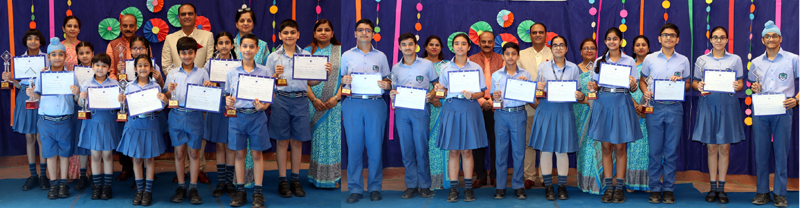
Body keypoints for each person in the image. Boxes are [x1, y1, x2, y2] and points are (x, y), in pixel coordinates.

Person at [268, 19, 331, 198]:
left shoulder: (306, 55)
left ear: (298, 35)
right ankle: (282, 180)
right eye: (285, 33)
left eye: (292, 32)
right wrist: (274, 76)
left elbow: (310, 81)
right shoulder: (273, 57)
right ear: (280, 36)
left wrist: (324, 74)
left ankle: (295, 180)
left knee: (297, 141)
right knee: (282, 141)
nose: (289, 36)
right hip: (281, 100)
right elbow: (267, 82)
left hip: (301, 100)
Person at [585, 27, 642, 203]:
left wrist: (633, 84)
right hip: (604, 103)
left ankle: (619, 188)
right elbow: (596, 85)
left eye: (615, 38)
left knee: (620, 147)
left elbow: (634, 88)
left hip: (622, 102)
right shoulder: (599, 61)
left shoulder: (629, 61)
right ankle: (609, 187)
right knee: (606, 147)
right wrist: (592, 86)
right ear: (605, 42)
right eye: (609, 39)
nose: (612, 41)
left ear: (621, 41)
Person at [691, 26, 745, 204]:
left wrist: (737, 86)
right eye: (715, 37)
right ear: (711, 40)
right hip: (708, 106)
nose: (719, 40)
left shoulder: (735, 59)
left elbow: (740, 84)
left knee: (725, 148)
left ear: (727, 40)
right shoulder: (702, 60)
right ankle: (712, 187)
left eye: (722, 37)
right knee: (711, 148)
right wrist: (698, 86)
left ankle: (721, 188)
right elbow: (695, 83)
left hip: (728, 107)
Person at [162, 4, 215, 184]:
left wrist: (203, 86)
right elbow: (166, 64)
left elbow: (210, 62)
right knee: (179, 151)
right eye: (183, 14)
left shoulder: (207, 37)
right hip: (177, 108)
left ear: (195, 16)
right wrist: (174, 84)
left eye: (190, 13)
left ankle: (197, 173)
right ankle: (181, 178)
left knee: (195, 148)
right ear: (178, 17)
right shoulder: (170, 39)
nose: (186, 16)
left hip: (196, 108)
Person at [529, 36, 587, 201]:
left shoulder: (573, 68)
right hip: (546, 110)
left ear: (566, 49)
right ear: (551, 48)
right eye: (555, 45)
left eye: (561, 45)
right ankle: (548, 186)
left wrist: (579, 95)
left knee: (562, 150)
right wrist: (538, 88)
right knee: (546, 150)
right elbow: (537, 91)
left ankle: (562, 186)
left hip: (564, 111)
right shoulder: (543, 67)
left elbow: (577, 91)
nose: (558, 48)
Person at [748, 20, 798, 208]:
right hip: (761, 109)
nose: (771, 39)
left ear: (780, 39)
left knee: (781, 152)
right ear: (762, 40)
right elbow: (752, 85)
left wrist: (797, 100)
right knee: (761, 152)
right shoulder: (755, 62)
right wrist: (754, 87)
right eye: (767, 36)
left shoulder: (793, 59)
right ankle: (762, 191)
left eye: (774, 36)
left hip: (783, 109)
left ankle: (780, 193)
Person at [639, 23, 690, 204]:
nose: (669, 38)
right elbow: (642, 81)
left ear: (677, 39)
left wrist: (681, 82)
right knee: (654, 151)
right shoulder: (650, 59)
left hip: (675, 108)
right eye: (665, 35)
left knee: (671, 151)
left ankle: (668, 188)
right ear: (659, 38)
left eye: (672, 35)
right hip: (655, 107)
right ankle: (654, 188)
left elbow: (688, 84)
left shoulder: (683, 60)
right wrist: (645, 91)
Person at [342, 19, 392, 204]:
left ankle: (375, 187)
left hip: (375, 104)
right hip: (352, 103)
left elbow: (388, 79)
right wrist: (343, 80)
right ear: (355, 33)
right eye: (360, 30)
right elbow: (340, 79)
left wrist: (387, 84)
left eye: (368, 30)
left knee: (375, 148)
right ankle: (355, 188)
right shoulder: (346, 55)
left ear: (373, 34)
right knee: (354, 148)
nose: (364, 33)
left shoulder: (381, 56)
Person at [436, 33, 489, 203]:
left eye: (463, 44)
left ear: (469, 47)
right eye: (457, 43)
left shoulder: (476, 67)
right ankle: (453, 189)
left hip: (470, 108)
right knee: (453, 151)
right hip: (451, 108)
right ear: (452, 47)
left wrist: (473, 95)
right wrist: (440, 89)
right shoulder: (445, 68)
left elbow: (482, 92)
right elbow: (443, 92)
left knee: (467, 151)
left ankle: (467, 188)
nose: (460, 46)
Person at [225, 34, 275, 208]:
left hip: (257, 117)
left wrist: (264, 106)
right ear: (239, 48)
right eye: (244, 46)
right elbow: (228, 94)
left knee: (257, 154)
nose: (248, 50)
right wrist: (228, 101)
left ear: (257, 49)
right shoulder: (232, 72)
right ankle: (241, 191)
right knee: (239, 154)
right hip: (237, 117)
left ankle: (258, 193)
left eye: (251, 46)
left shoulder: (265, 71)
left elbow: (269, 96)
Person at [29, 37, 80, 199]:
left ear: (66, 57)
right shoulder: (42, 76)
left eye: (60, 54)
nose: (57, 58)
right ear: (48, 57)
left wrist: (77, 94)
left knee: (65, 154)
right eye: (53, 55)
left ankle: (63, 183)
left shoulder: (71, 76)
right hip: (46, 121)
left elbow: (76, 100)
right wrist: (32, 94)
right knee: (50, 154)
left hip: (65, 120)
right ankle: (53, 184)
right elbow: (38, 97)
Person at [388, 33, 438, 199]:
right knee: (407, 149)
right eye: (404, 44)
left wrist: (431, 95)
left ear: (415, 46)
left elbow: (437, 85)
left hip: (420, 110)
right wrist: (392, 94)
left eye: (410, 44)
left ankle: (425, 185)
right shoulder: (395, 68)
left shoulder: (427, 64)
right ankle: (411, 185)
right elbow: (394, 87)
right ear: (399, 47)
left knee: (421, 149)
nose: (407, 47)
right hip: (402, 111)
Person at [164, 37, 212, 205]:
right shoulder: (172, 73)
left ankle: (193, 187)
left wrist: (208, 87)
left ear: (195, 53)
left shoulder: (202, 73)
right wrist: (169, 91)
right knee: (179, 153)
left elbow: (207, 96)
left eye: (190, 52)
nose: (187, 56)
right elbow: (166, 97)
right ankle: (181, 186)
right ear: (179, 54)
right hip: (176, 115)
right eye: (183, 53)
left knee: (194, 153)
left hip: (195, 116)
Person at [116, 55, 168, 206]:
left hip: (150, 124)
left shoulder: (156, 86)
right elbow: (124, 109)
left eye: (146, 65)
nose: (143, 68)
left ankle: (148, 191)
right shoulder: (128, 86)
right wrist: (121, 102)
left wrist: (164, 102)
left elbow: (158, 109)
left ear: (151, 68)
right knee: (137, 158)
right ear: (135, 68)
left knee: (149, 159)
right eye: (140, 65)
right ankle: (139, 190)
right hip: (134, 125)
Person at [2, 29, 48, 191]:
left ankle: (43, 175)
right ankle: (33, 175)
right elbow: (18, 84)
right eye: (30, 38)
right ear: (25, 41)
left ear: (41, 42)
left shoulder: (46, 59)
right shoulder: (19, 60)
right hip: (24, 98)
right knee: (29, 137)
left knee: (42, 137)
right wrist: (10, 80)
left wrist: (45, 75)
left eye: (36, 38)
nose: (33, 41)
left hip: (41, 98)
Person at [304, 19, 343, 189]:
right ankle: (317, 176)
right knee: (318, 140)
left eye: (327, 30)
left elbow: (346, 78)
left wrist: (337, 98)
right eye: (319, 29)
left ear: (332, 33)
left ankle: (333, 177)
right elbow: (301, 79)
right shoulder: (306, 52)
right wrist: (313, 99)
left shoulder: (340, 51)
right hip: (313, 104)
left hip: (334, 104)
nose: (323, 33)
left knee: (333, 140)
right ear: (314, 33)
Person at [76, 53, 120, 200]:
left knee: (107, 155)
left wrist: (121, 100)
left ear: (109, 68)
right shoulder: (86, 84)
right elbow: (81, 105)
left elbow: (120, 106)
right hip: (92, 122)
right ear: (92, 66)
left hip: (108, 122)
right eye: (97, 65)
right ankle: (97, 186)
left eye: (104, 66)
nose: (100, 68)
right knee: (95, 155)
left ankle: (107, 186)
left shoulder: (115, 84)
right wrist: (81, 98)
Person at [489, 42, 530, 200]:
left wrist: (524, 85)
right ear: (503, 56)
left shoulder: (526, 75)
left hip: (518, 113)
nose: (510, 57)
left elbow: (530, 96)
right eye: (507, 54)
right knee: (500, 151)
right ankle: (500, 186)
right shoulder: (496, 75)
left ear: (518, 56)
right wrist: (495, 97)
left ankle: (518, 185)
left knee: (519, 152)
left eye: (514, 53)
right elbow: (493, 96)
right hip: (501, 114)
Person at [105, 13, 142, 182]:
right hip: (121, 95)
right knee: (123, 131)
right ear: (120, 27)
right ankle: (126, 167)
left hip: (141, 93)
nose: (128, 28)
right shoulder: (112, 45)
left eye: (131, 25)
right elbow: (110, 71)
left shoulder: (142, 44)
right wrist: (122, 83)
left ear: (136, 27)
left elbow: (147, 66)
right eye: (125, 25)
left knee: (140, 130)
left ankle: (142, 168)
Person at [517, 23, 552, 188]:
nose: (538, 35)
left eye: (541, 32)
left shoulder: (554, 53)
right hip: (528, 105)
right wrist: (531, 100)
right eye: (534, 32)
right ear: (530, 35)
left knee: (546, 142)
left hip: (548, 106)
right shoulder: (521, 55)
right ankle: (529, 176)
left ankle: (545, 176)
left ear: (546, 35)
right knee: (528, 142)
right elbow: (517, 79)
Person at [468, 31, 503, 188]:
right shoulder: (471, 60)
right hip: (477, 106)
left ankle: (495, 175)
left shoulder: (502, 59)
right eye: (484, 41)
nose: (487, 44)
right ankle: (480, 175)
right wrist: (482, 101)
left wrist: (493, 101)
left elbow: (505, 83)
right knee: (478, 142)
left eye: (490, 41)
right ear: (479, 42)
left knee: (496, 142)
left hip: (497, 107)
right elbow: (468, 85)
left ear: (494, 43)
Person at [206, 31, 238, 197]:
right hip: (216, 106)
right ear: (216, 46)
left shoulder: (239, 65)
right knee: (219, 144)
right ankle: (220, 182)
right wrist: (209, 83)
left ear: (232, 45)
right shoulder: (209, 64)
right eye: (220, 43)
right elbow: (204, 85)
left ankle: (230, 182)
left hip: (233, 106)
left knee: (231, 144)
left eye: (227, 43)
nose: (224, 46)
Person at [575, 38, 604, 195]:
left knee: (598, 146)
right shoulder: (574, 69)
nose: (589, 51)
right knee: (584, 147)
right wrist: (585, 100)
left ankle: (597, 183)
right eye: (585, 48)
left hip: (599, 113)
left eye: (592, 48)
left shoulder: (602, 68)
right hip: (581, 112)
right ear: (580, 51)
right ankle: (584, 182)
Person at [422, 35, 450, 190]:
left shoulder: (447, 65)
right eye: (431, 44)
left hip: (445, 108)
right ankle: (432, 180)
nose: (434, 47)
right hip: (425, 107)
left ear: (441, 47)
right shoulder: (419, 64)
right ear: (426, 47)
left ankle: (447, 179)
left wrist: (440, 97)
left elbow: (452, 85)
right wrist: (431, 99)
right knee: (430, 143)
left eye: (437, 45)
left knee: (446, 141)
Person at [626, 35, 651, 192]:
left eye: (644, 45)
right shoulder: (628, 65)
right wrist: (635, 105)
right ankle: (631, 182)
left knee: (648, 148)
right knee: (632, 147)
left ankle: (648, 182)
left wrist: (645, 108)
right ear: (633, 48)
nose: (641, 47)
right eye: (637, 45)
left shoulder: (653, 65)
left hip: (649, 112)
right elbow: (622, 88)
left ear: (648, 48)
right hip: (629, 110)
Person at [71, 41, 96, 193]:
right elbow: (74, 99)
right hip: (80, 110)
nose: (85, 56)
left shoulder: (99, 69)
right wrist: (76, 95)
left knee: (95, 142)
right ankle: (82, 176)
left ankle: (95, 175)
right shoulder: (73, 73)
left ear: (93, 54)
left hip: (97, 112)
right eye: (81, 53)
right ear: (77, 56)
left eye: (87, 52)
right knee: (81, 142)